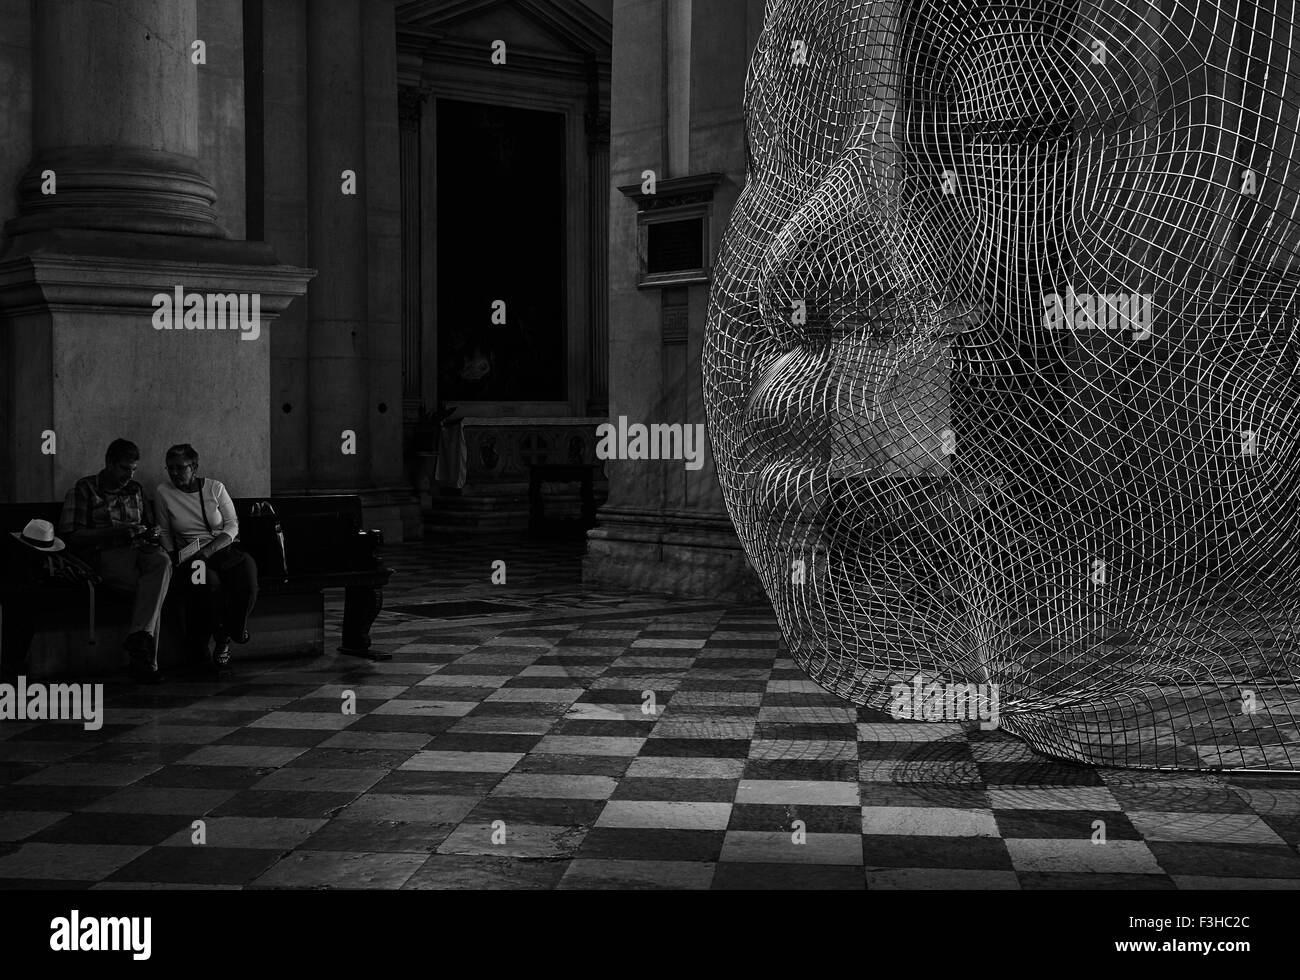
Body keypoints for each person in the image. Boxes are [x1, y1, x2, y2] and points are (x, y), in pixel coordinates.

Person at [59, 439, 172, 683]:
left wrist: (150, 532)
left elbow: (150, 525)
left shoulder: (136, 489)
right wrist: (116, 532)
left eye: (133, 469)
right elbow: (72, 536)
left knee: (162, 563)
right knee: (151, 591)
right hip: (106, 554)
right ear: (109, 463)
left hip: (141, 550)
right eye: (124, 468)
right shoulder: (85, 489)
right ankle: (146, 663)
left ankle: (139, 642)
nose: (129, 475)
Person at [154, 444, 257, 670]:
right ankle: (221, 640)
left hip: (221, 548)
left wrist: (210, 549)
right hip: (192, 558)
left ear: (195, 467)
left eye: (180, 468)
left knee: (247, 579)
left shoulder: (215, 488)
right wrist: (173, 557)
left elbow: (232, 525)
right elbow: (164, 530)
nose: (174, 473)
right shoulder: (164, 492)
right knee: (210, 587)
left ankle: (235, 630)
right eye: (170, 468)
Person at [1, 519, 99, 682]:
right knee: (21, 610)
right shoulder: (14, 557)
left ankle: (12, 665)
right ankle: (13, 665)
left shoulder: (21, 556)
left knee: (21, 611)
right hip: (18, 592)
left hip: (20, 592)